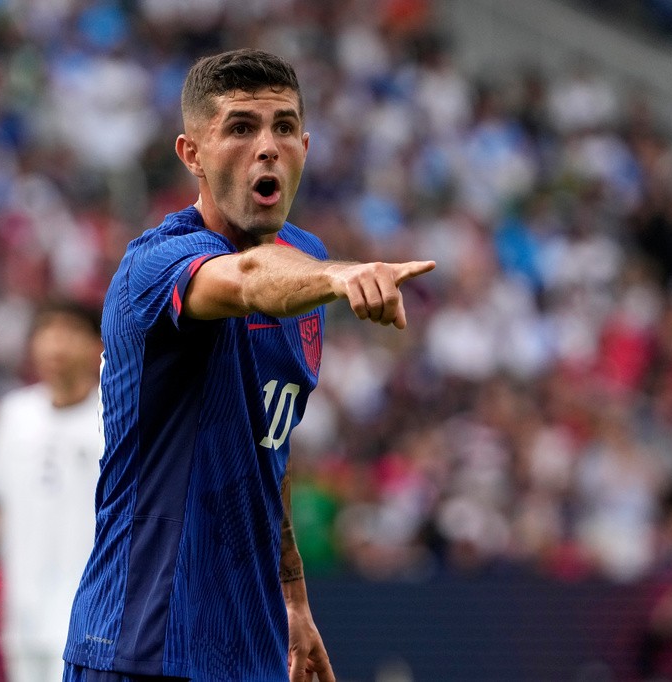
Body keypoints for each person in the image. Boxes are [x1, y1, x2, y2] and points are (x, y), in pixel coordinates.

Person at [62, 48, 435, 682]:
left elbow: (268, 447)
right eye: (240, 127)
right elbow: (248, 278)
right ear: (192, 154)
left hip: (252, 647)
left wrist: (292, 597)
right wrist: (341, 276)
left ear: (306, 147)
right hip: (143, 645)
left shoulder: (307, 265)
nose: (267, 146)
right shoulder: (156, 267)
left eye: (283, 127)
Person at [0, 301, 104, 682]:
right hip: (24, 613)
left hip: (90, 616)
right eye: (47, 331)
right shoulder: (14, 413)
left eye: (69, 332)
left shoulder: (112, 416)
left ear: (96, 345)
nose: (55, 344)